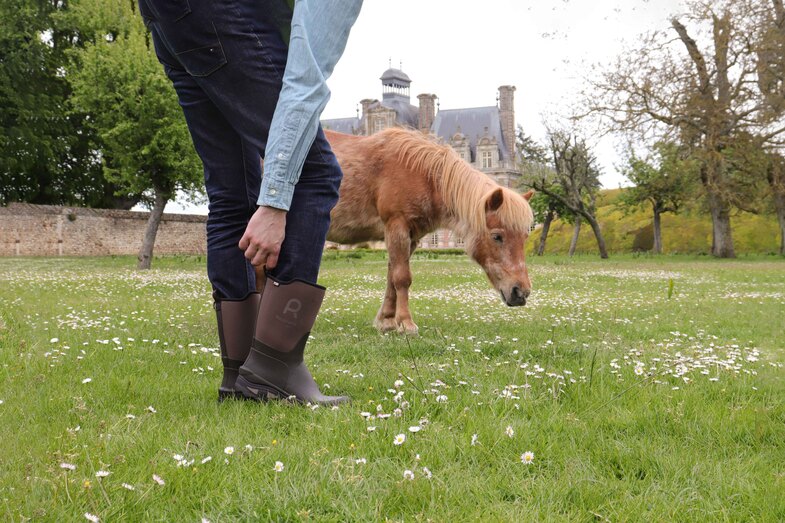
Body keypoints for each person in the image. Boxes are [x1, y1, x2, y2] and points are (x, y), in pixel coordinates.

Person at [137, 0, 363, 405]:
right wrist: (276, 200)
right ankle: (274, 369)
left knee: (232, 190)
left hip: (169, 19)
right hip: (215, 15)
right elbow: (304, 78)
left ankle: (239, 373)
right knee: (316, 173)